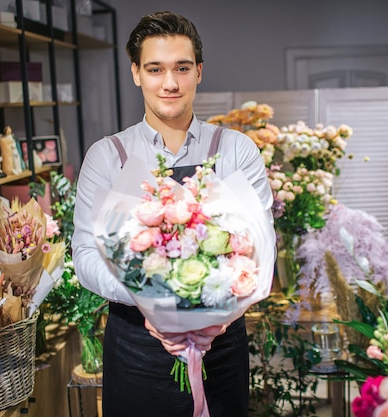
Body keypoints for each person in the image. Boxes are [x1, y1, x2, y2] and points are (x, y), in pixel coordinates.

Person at [72, 11, 274, 416]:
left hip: (221, 343)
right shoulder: (107, 157)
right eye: (155, 69)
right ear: (136, 73)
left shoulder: (236, 150)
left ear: (198, 71)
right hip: (136, 347)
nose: (169, 83)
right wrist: (155, 307)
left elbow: (260, 244)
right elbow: (85, 256)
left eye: (182, 68)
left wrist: (215, 313)